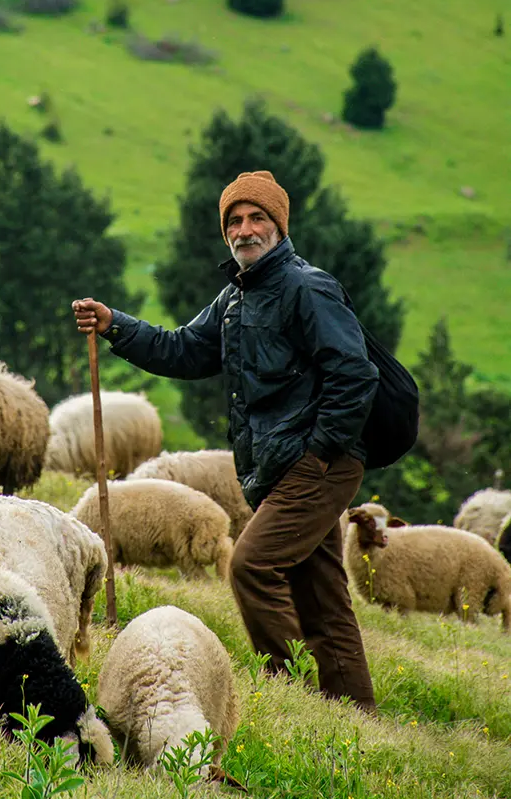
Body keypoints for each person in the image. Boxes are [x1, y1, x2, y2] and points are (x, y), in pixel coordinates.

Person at [72, 170, 379, 711]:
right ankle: (353, 713)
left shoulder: (308, 288)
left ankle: (294, 694)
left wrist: (319, 452)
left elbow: (354, 375)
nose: (244, 229)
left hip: (317, 464)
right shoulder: (235, 300)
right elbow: (183, 350)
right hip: (278, 466)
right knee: (323, 599)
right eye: (234, 221)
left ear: (279, 227)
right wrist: (115, 324)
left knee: (250, 566)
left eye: (256, 217)